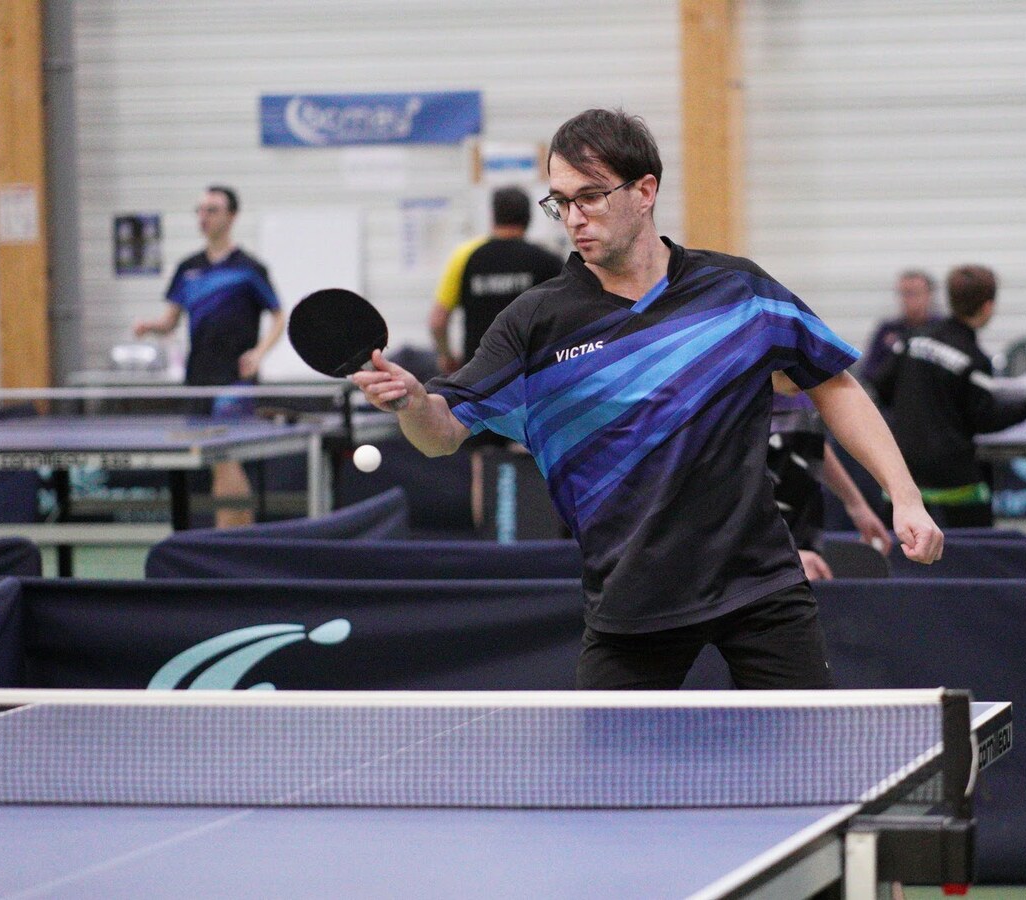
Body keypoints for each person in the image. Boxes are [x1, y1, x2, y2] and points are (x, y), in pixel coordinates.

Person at [353, 108, 942, 690]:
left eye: (591, 197)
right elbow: (442, 433)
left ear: (644, 191)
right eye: (561, 202)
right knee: (612, 758)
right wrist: (412, 403)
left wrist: (905, 497)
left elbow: (834, 383)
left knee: (815, 749)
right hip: (630, 600)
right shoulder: (535, 322)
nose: (574, 218)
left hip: (759, 584)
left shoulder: (737, 291)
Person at [133, 185, 285, 528]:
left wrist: (259, 352)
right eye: (200, 210)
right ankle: (237, 536)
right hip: (198, 378)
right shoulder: (188, 268)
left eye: (212, 210)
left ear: (232, 216)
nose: (203, 216)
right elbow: (170, 321)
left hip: (235, 378)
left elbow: (279, 317)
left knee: (224, 457)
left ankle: (228, 537)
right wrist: (150, 327)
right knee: (218, 461)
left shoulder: (249, 269)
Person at [867, 264, 1026, 528]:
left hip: (903, 472)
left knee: (899, 547)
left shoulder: (910, 340)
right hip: (954, 477)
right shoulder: (975, 360)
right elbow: (987, 419)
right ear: (988, 307)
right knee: (977, 544)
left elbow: (880, 386)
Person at [427, 186, 564, 375]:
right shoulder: (548, 261)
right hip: (531, 375)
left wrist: (447, 357)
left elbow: (438, 322)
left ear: (493, 216)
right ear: (528, 218)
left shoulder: (466, 258)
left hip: (478, 377)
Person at [768, 373, 890, 580]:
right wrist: (780, 550)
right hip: (761, 560)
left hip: (801, 546)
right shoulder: (738, 397)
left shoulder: (799, 383)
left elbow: (812, 444)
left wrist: (856, 505)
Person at [858, 269, 947, 386]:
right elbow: (869, 371)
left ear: (929, 294)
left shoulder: (944, 329)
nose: (909, 299)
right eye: (904, 293)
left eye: (915, 293)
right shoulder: (888, 330)